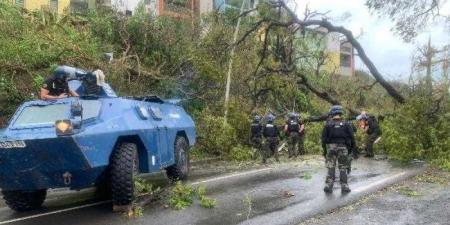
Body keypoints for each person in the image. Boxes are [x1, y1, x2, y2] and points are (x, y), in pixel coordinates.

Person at [321, 105, 355, 194]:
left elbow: (323, 140)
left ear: (332, 114)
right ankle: (344, 186)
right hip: (343, 148)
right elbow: (352, 137)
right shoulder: (346, 124)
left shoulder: (328, 125)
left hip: (331, 148)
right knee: (343, 167)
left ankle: (328, 185)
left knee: (331, 167)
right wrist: (351, 149)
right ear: (340, 113)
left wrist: (325, 151)